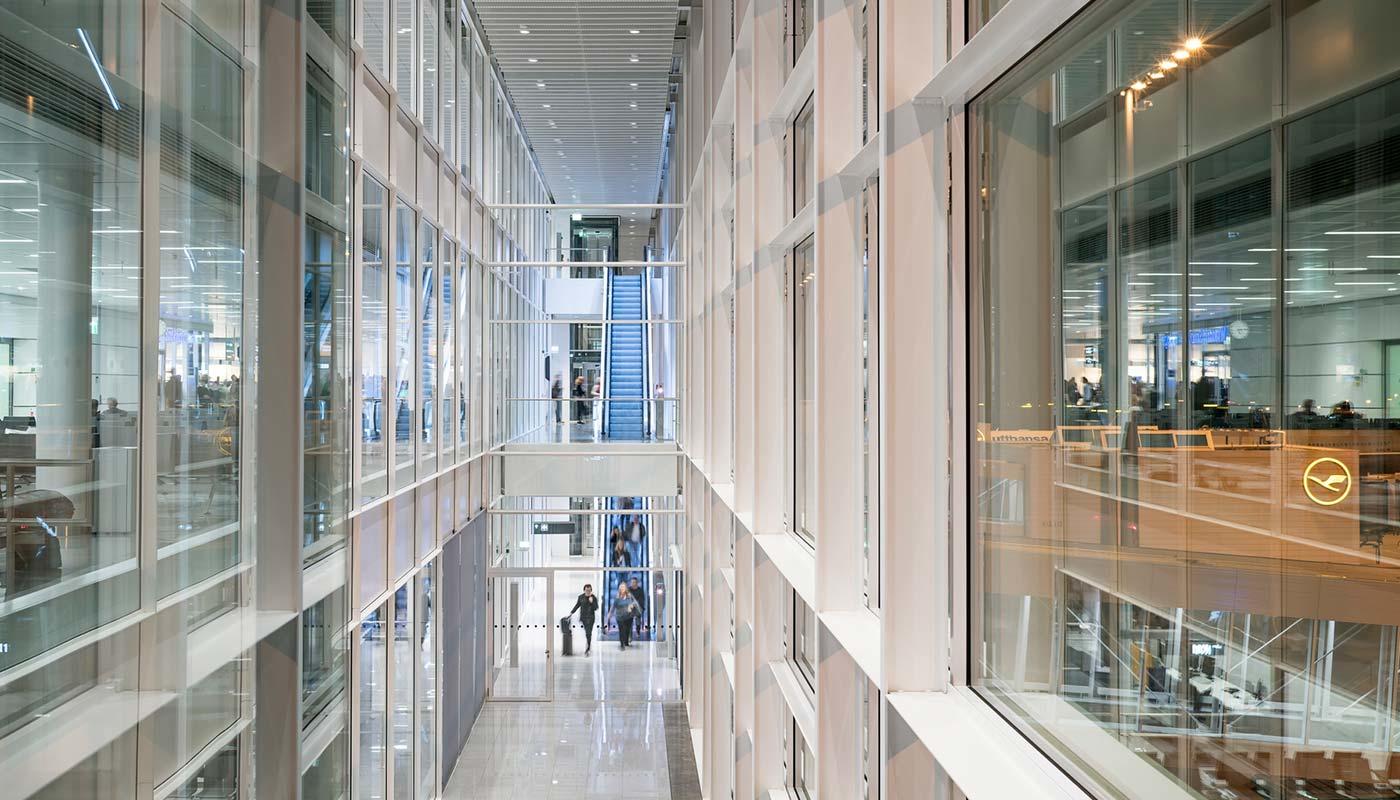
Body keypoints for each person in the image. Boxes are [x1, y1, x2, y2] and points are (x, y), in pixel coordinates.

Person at [569, 583, 599, 655]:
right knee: (587, 632)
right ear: (584, 590)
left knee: (589, 632)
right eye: (586, 590)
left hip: (591, 618)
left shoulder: (593, 597)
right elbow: (577, 605)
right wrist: (571, 612)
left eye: (589, 590)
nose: (588, 592)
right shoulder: (581, 597)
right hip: (583, 618)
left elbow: (596, 608)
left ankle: (588, 647)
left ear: (591, 590)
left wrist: (592, 602)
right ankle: (588, 643)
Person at [613, 584, 639, 650]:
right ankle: (622, 644)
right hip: (619, 616)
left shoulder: (629, 596)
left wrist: (631, 606)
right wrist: (610, 614)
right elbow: (614, 605)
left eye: (623, 587)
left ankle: (626, 641)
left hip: (628, 616)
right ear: (619, 589)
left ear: (626, 588)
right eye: (621, 587)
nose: (622, 588)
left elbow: (634, 603)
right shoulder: (617, 597)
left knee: (627, 630)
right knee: (621, 630)